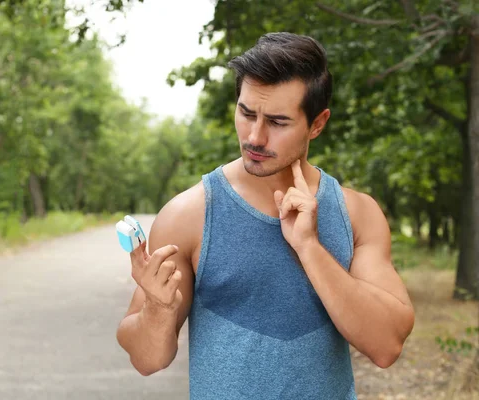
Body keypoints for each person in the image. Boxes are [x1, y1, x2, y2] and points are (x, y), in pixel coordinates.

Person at [116, 32, 415, 399]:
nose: (255, 137)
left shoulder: (357, 214)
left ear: (318, 124)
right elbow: (147, 360)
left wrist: (309, 247)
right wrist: (159, 311)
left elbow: (387, 346)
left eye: (277, 121)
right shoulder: (188, 215)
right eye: (246, 113)